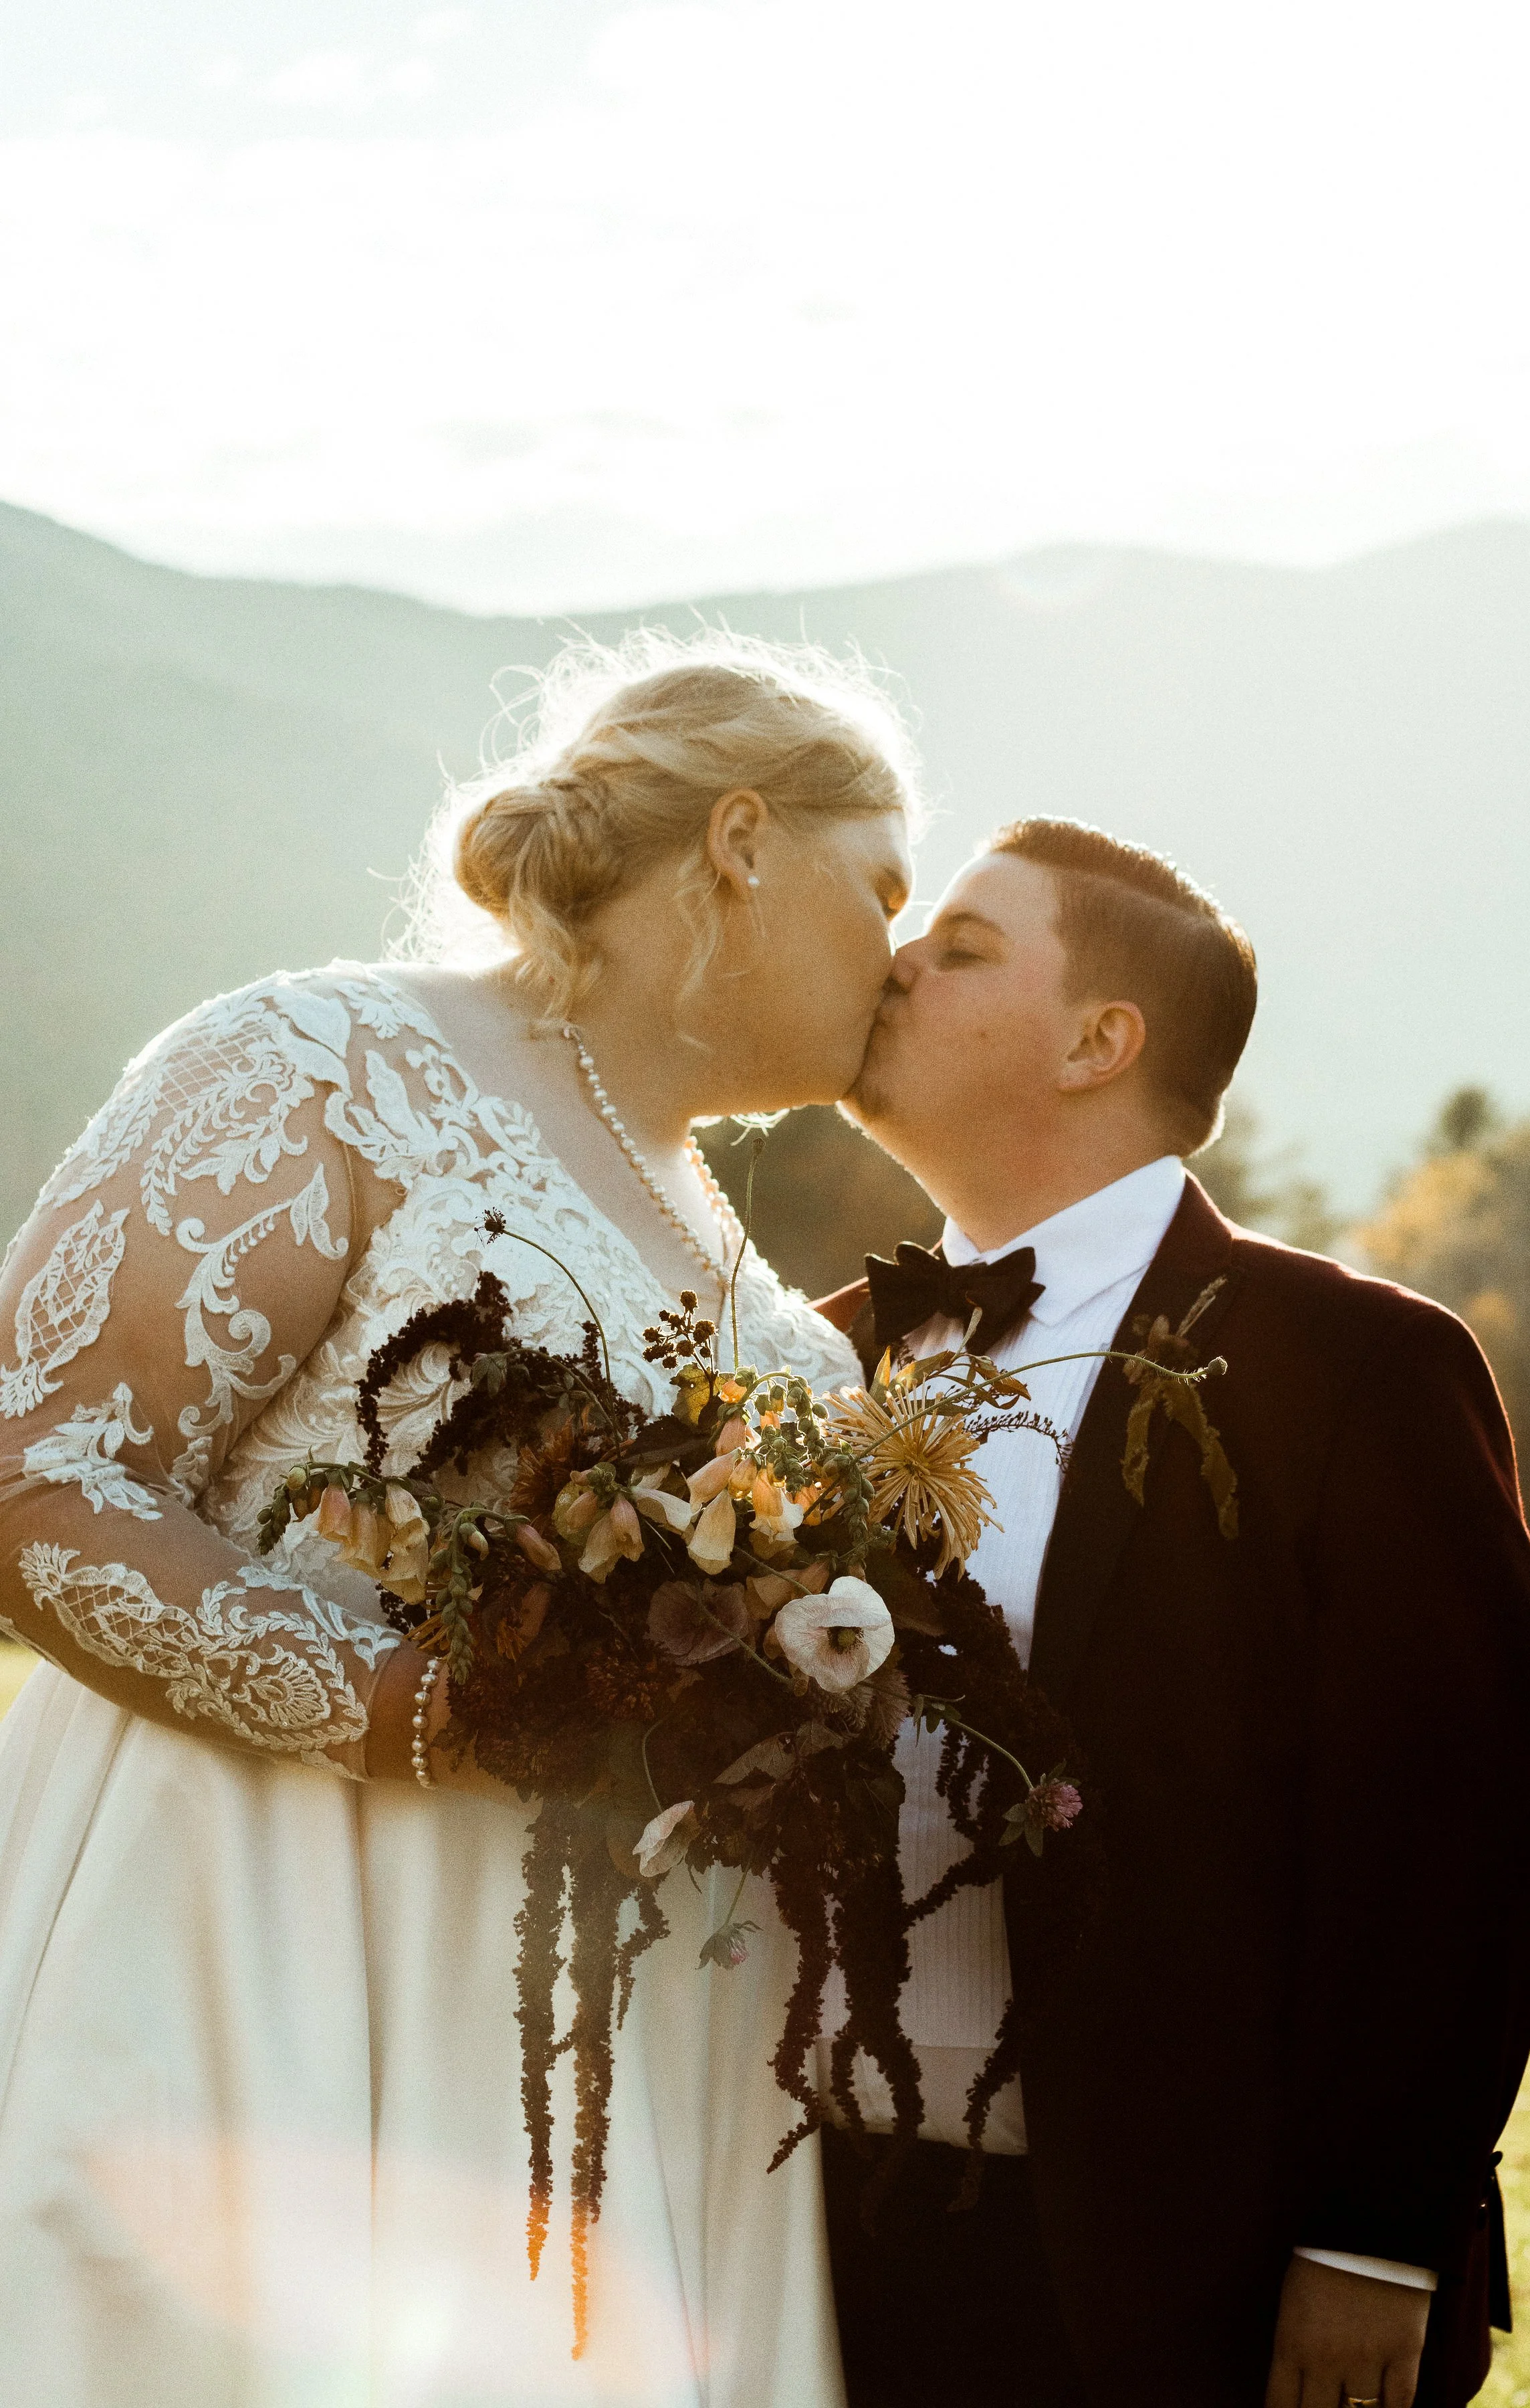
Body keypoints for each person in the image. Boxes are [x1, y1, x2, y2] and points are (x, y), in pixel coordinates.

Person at [0, 633, 917, 2407]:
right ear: (740, 842)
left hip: (629, 2039)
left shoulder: (771, 1298)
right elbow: (40, 1465)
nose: (904, 951)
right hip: (262, 1925)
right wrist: (414, 1705)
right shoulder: (321, 1064)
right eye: (882, 887)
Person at [814, 818, 1530, 2408]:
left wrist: (1376, 2238)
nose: (895, 968)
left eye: (959, 950)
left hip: (1194, 2258)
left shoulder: (1357, 1367)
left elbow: (1452, 1828)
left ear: (1102, 1040)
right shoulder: (815, 1356)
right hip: (823, 2228)